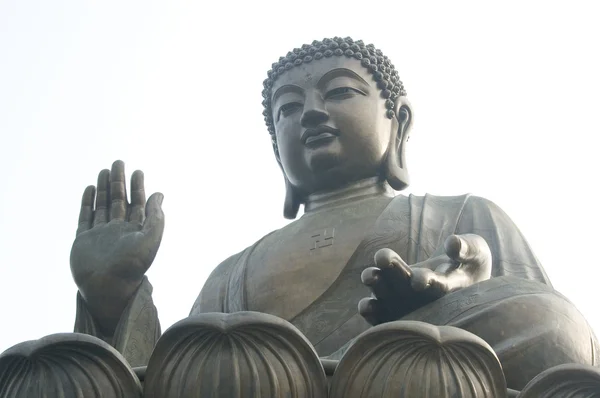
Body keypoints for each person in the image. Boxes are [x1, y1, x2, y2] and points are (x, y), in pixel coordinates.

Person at [70, 37, 598, 390]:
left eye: (341, 91)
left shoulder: (460, 213)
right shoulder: (231, 274)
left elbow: (552, 344)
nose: (313, 113)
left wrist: (461, 287)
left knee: (550, 321)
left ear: (399, 122)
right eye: (289, 108)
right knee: (207, 353)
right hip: (268, 386)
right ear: (277, 148)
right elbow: (168, 377)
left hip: (417, 379)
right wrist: (112, 297)